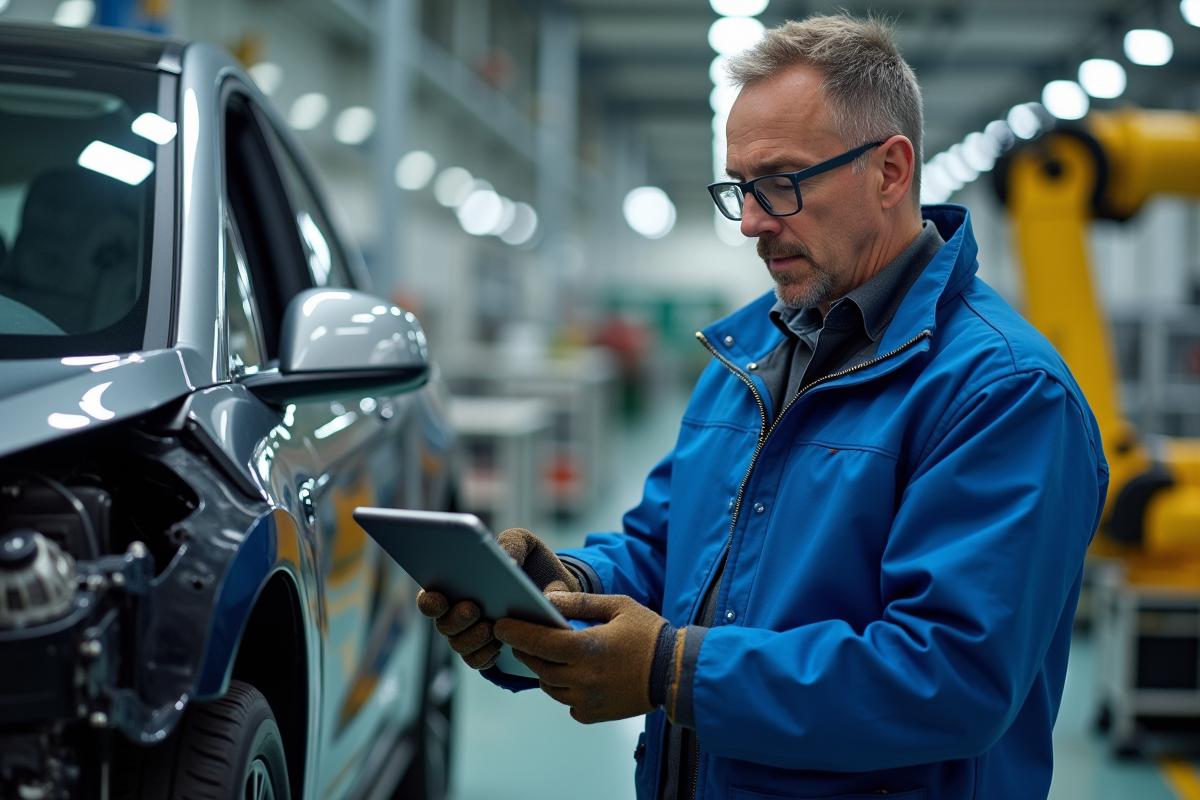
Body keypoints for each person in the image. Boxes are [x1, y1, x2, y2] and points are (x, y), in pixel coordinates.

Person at [416, 12, 1107, 800]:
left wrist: (674, 669)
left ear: (890, 171)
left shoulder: (1003, 392)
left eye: (779, 183)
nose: (749, 222)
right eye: (739, 188)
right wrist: (556, 591)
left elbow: (950, 674)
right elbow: (669, 550)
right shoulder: (749, 357)